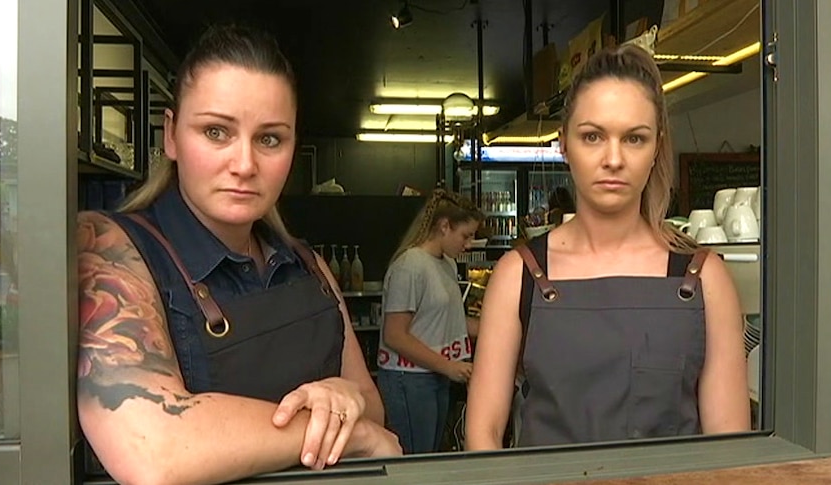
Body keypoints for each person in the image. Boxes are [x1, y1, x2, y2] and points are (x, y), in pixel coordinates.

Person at [76, 24, 401, 484]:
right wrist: (351, 435)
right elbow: (153, 449)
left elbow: (370, 402)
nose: (245, 165)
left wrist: (344, 397)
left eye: (270, 139)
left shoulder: (309, 265)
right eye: (216, 132)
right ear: (170, 135)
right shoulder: (109, 250)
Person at [465, 44, 750, 449]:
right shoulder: (520, 274)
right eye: (593, 136)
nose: (613, 158)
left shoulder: (704, 279)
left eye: (634, 138)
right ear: (564, 144)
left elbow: (730, 454)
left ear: (656, 147)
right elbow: (484, 437)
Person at [376, 189, 483, 454]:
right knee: (417, 461)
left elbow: (453, 322)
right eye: (465, 236)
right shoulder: (410, 266)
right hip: (409, 380)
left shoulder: (447, 264)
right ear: (444, 226)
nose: (468, 244)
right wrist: (448, 366)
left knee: (431, 455)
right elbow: (395, 335)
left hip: (435, 377)